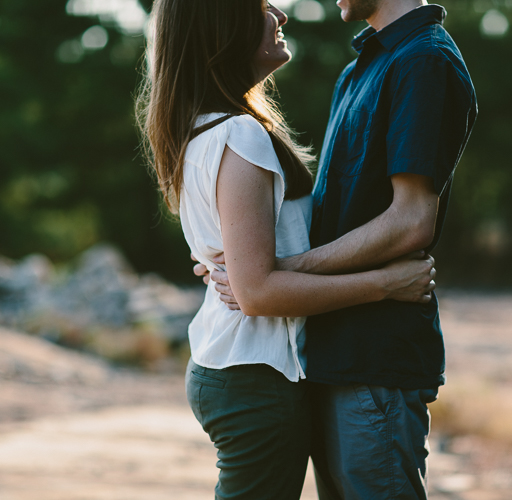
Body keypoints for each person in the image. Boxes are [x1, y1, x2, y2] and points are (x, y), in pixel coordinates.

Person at [137, 1, 437, 499]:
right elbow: (257, 292)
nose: (279, 11)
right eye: (260, 5)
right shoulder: (238, 134)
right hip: (255, 373)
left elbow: (250, 269)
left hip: (236, 366)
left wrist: (250, 269)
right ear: (223, 28)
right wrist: (386, 284)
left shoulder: (207, 127)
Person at [201, 0, 478, 498]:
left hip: (376, 360)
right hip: (330, 356)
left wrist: (274, 272)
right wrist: (234, 255)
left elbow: (411, 221)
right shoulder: (359, 70)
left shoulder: (423, 60)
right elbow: (326, 215)